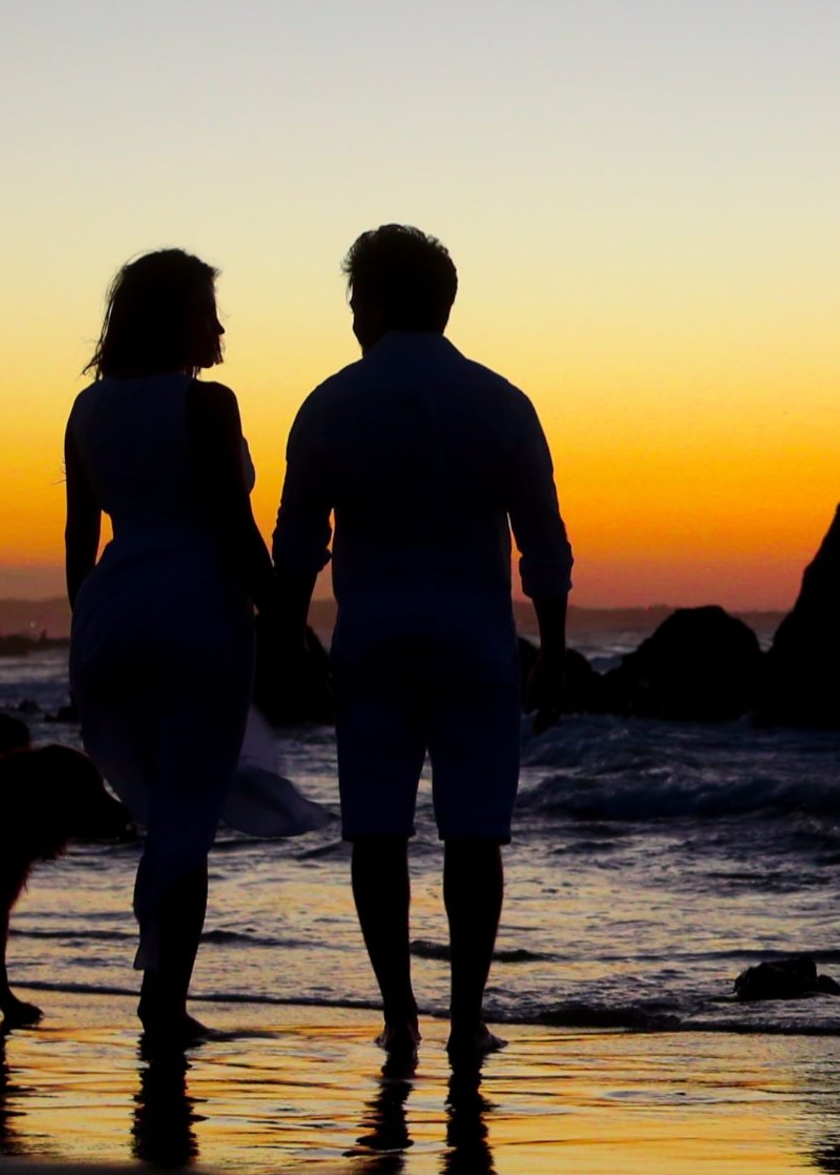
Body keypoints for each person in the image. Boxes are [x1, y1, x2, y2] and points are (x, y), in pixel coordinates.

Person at [273, 225, 573, 1059]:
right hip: (475, 639)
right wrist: (550, 646)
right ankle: (467, 1017)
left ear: (365, 303)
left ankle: (399, 1013)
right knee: (476, 832)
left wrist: (289, 631)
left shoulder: (331, 402)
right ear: (445, 303)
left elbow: (298, 541)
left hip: (371, 639)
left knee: (378, 830)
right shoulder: (500, 400)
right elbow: (541, 541)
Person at [66, 248, 326, 1043]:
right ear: (179, 318)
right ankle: (163, 1004)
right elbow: (234, 530)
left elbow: (81, 536)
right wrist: (289, 620)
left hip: (113, 614)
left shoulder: (88, 410)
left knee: (163, 809)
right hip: (195, 612)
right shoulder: (207, 406)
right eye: (209, 309)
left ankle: (159, 992)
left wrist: (87, 626)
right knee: (188, 812)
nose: (219, 326)